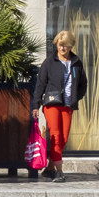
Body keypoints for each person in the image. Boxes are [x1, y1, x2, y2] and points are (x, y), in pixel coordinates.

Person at [31, 29, 85, 181]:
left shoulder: (76, 63)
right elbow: (40, 84)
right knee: (55, 135)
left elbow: (83, 84)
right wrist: (36, 105)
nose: (62, 48)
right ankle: (59, 172)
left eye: (65, 46)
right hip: (52, 103)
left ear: (71, 46)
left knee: (64, 138)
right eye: (60, 45)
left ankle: (49, 168)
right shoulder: (49, 62)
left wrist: (76, 97)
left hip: (68, 105)